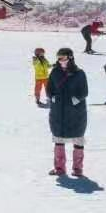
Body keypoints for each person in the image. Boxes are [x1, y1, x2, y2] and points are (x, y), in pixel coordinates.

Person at [45, 47, 88, 177]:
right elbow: (49, 88)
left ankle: (78, 169)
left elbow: (84, 91)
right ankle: (59, 168)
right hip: (58, 111)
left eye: (63, 58)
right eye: (58, 58)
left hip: (76, 113)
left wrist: (76, 99)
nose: (60, 61)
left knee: (78, 140)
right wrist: (52, 97)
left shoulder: (79, 73)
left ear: (70, 58)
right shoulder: (55, 72)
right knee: (58, 139)